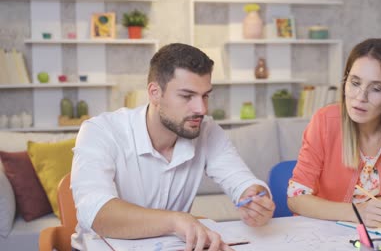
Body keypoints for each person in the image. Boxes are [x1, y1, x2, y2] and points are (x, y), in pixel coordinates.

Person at [70, 43, 275, 251]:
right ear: (155, 93)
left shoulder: (207, 130)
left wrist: (253, 198)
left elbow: (242, 182)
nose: (201, 109)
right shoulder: (100, 131)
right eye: (187, 96)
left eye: (205, 95)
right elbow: (98, 214)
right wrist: (176, 221)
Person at [287, 38, 381, 227]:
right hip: (323, 232)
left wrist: (375, 206)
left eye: (376, 88)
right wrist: (357, 212)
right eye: (355, 82)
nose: (360, 97)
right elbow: (296, 198)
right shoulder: (325, 121)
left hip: (379, 234)